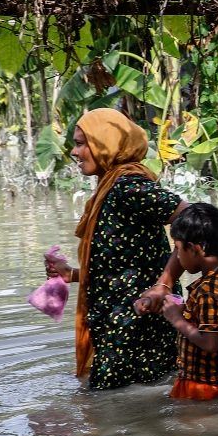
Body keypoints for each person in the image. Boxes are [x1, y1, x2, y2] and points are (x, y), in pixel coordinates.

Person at [43, 107, 187, 390]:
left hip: (135, 324)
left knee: (115, 405)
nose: (74, 151)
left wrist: (164, 285)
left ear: (105, 145)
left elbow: (193, 218)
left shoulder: (128, 186)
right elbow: (120, 268)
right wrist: (70, 274)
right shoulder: (110, 189)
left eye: (82, 143)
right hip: (117, 323)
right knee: (126, 400)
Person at [159, 202, 218, 401]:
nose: (177, 256)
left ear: (197, 249)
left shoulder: (207, 291)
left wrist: (176, 319)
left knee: (189, 431)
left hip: (202, 386)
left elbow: (210, 342)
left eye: (178, 249)